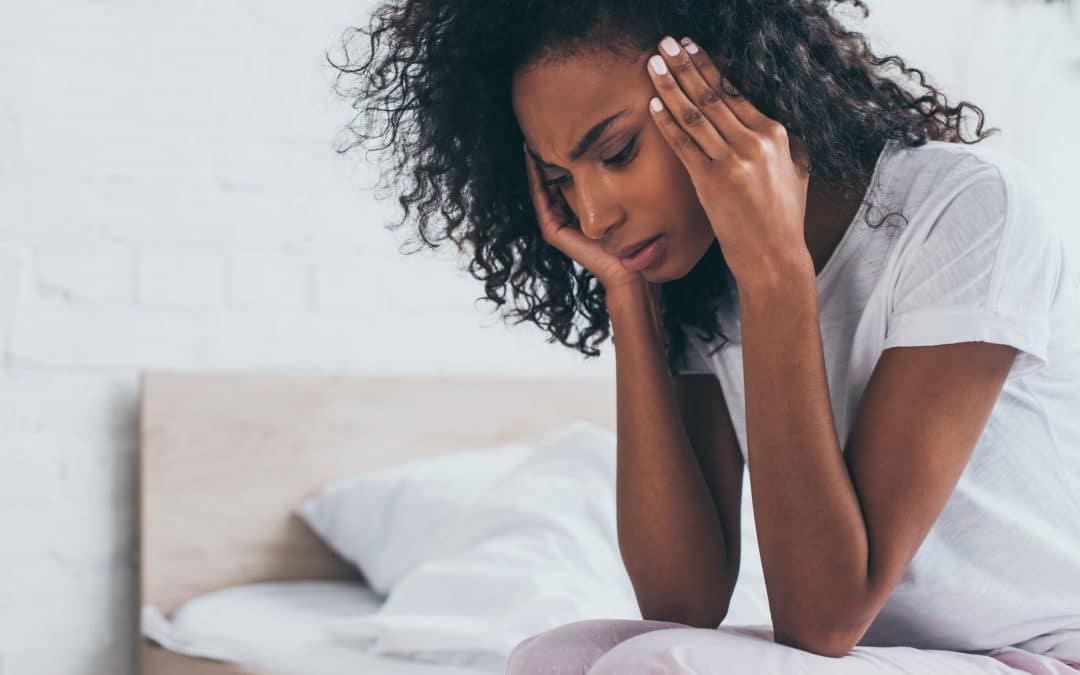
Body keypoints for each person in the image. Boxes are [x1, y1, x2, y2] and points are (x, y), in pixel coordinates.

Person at [329, 0, 1080, 672]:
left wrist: (776, 273)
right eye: (561, 181)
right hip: (887, 655)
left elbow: (822, 615)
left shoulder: (967, 208)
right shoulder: (702, 278)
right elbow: (680, 597)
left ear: (732, 90)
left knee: (656, 665)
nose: (593, 217)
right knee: (561, 656)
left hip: (1042, 650)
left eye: (616, 153)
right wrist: (629, 299)